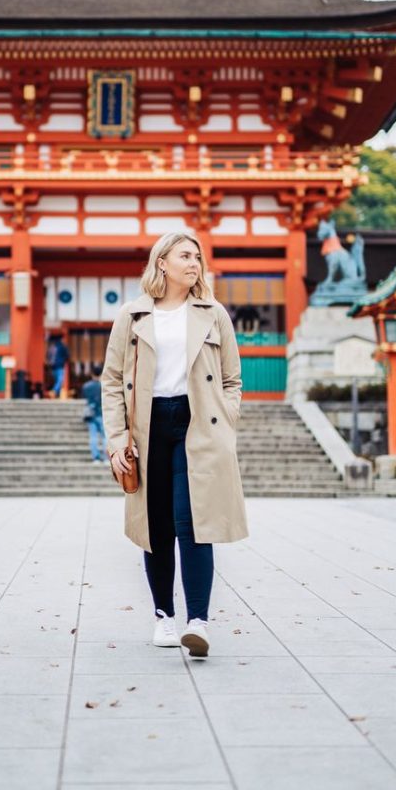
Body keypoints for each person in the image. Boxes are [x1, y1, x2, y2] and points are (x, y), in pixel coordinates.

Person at [102, 231, 247, 658]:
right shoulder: (132, 315)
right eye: (185, 255)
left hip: (198, 424)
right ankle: (164, 615)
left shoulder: (212, 313)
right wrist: (116, 438)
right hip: (147, 426)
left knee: (194, 522)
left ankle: (198, 621)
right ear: (161, 262)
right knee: (157, 526)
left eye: (198, 257)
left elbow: (232, 378)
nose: (194, 263)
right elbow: (111, 381)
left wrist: (227, 419)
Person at [81, 363, 107, 463]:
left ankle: (95, 457)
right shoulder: (104, 386)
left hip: (90, 413)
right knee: (105, 437)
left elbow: (85, 398)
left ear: (92, 374)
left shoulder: (86, 386)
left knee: (93, 436)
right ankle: (105, 458)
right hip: (101, 413)